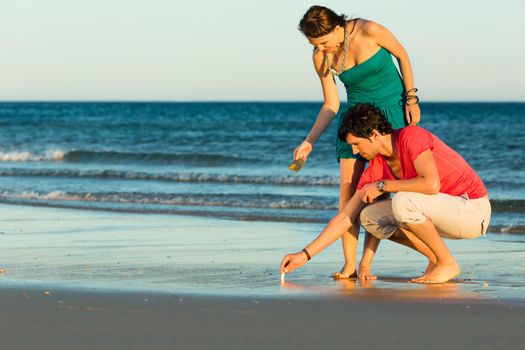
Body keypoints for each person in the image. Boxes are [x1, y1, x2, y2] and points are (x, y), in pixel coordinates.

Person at [280, 103, 491, 284]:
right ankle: (436, 259)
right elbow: (345, 217)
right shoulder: (377, 166)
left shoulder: (410, 136)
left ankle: (447, 262)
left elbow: (431, 184)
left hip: (472, 209)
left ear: (373, 134)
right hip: (443, 214)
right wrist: (305, 255)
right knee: (369, 217)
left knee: (402, 202)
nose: (354, 151)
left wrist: (383, 186)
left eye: (355, 144)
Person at [292, 5, 421, 279]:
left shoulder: (370, 30)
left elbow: (403, 56)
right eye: (315, 45)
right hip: (354, 124)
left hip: (390, 116)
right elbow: (331, 103)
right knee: (348, 192)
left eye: (324, 43)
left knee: (379, 193)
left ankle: (366, 264)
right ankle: (349, 264)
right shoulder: (320, 57)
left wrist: (411, 98)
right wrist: (309, 141)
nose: (321, 50)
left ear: (338, 28)